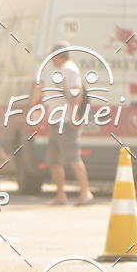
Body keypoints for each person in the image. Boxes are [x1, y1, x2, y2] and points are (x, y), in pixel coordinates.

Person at [32, 43, 94, 205]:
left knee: (72, 156)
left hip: (66, 121)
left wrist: (73, 115)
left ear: (58, 55)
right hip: (56, 120)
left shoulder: (69, 69)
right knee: (54, 159)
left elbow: (76, 92)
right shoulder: (59, 70)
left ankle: (85, 193)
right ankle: (61, 195)